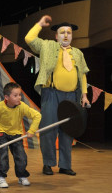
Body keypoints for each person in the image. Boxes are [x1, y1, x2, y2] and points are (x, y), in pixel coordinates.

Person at [25, 15, 90, 176]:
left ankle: (65, 165)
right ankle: (48, 163)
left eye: (69, 32)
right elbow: (29, 38)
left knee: (68, 131)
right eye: (62, 32)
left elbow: (82, 74)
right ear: (56, 35)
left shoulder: (78, 53)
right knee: (48, 130)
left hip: (72, 97)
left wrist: (84, 95)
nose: (66, 35)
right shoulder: (47, 46)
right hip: (51, 94)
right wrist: (40, 24)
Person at [0, 82, 41, 188]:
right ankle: (1, 178)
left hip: (16, 134)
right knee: (2, 155)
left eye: (20, 95)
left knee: (21, 156)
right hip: (2, 133)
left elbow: (37, 115)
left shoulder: (22, 107)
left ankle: (22, 176)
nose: (19, 98)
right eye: (16, 95)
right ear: (6, 97)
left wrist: (32, 130)